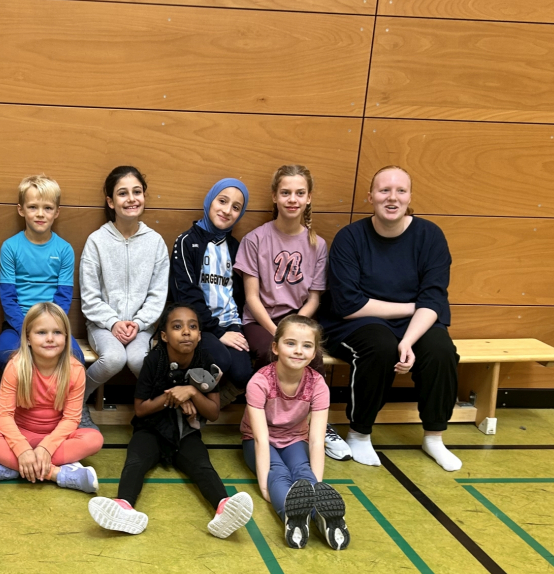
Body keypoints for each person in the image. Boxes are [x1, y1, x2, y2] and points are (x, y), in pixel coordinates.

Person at [319, 165, 462, 471]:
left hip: (416, 322)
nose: (392, 197)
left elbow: (434, 299)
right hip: (358, 321)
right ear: (370, 196)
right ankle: (359, 433)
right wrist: (412, 307)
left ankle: (434, 437)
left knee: (440, 350)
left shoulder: (430, 236)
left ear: (410, 197)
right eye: (384, 190)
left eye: (400, 191)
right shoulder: (350, 238)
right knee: (380, 346)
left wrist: (408, 341)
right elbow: (349, 304)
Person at [87, 304, 254, 538]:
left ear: (199, 335)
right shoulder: (154, 361)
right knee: (135, 462)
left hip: (186, 433)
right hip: (151, 429)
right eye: (177, 327)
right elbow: (141, 409)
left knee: (202, 466)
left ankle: (223, 507)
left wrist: (192, 393)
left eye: (192, 327)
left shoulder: (206, 360)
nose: (186, 332)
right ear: (164, 336)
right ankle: (123, 506)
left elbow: (213, 412)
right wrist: (171, 397)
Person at [234, 164, 351, 462]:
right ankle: (267, 426)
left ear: (309, 198)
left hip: (300, 317)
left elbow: (314, 298)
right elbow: (251, 297)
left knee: (313, 357)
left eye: (300, 193)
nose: (292, 199)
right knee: (269, 353)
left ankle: (317, 426)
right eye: (285, 193)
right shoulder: (255, 239)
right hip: (262, 320)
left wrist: (295, 328)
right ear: (274, 196)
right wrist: (279, 333)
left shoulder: (317, 244)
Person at [242, 315, 350, 550]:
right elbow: (261, 439)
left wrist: (318, 484)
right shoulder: (259, 382)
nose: (299, 351)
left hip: (295, 439)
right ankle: (292, 518)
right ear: (275, 347)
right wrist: (264, 487)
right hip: (258, 440)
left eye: (307, 346)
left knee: (302, 471)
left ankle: (323, 517)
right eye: (290, 343)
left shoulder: (318, 384)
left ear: (314, 353)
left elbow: (317, 440)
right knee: (278, 473)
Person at [0, 302, 103, 492]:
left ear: (66, 337)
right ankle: (56, 473)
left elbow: (71, 419)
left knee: (94, 439)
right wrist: (22, 449)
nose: (50, 338)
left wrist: (46, 448)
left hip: (56, 438)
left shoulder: (75, 370)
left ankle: (12, 468)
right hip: (20, 434)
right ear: (28, 338)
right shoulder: (16, 366)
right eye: (41, 332)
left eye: (57, 332)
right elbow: (3, 416)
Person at [80, 165, 169, 418]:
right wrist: (113, 322)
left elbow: (157, 295)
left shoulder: (155, 242)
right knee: (114, 359)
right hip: (103, 324)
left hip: (142, 326)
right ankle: (76, 402)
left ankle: (156, 413)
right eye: (122, 193)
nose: (131, 199)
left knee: (140, 360)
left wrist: (138, 323)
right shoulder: (96, 241)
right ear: (110, 201)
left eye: (137, 192)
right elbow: (90, 296)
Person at [169, 178, 252, 405]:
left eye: (236, 207)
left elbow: (238, 294)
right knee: (220, 360)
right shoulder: (186, 241)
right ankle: (184, 402)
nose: (227, 210)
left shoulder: (235, 247)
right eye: (222, 201)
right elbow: (186, 295)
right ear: (209, 201)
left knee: (243, 374)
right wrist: (217, 332)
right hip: (199, 325)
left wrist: (233, 328)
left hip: (229, 322)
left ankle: (206, 407)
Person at [0, 175, 85, 373]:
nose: (40, 214)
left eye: (48, 208)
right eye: (33, 207)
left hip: (53, 324)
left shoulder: (64, 250)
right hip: (17, 325)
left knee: (76, 359)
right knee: (6, 356)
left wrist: (47, 328)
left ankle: (55, 393)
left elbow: (63, 298)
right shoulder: (10, 247)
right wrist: (27, 330)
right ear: (21, 210)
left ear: (57, 212)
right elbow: (8, 298)